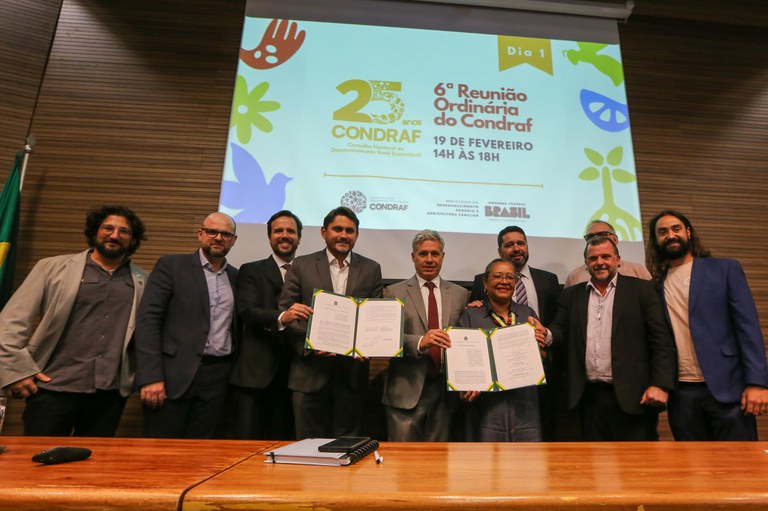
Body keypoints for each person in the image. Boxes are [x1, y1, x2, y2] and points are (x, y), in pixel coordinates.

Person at [0, 205, 148, 436]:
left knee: (95, 459)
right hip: (52, 388)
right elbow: (11, 322)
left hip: (108, 395)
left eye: (124, 231)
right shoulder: (51, 268)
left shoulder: (143, 281)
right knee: (39, 457)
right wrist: (16, 371)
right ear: (95, 231)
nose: (114, 235)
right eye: (108, 228)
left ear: (133, 239)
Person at [647, 209, 768, 440]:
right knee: (693, 463)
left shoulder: (725, 269)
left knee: (740, 460)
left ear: (688, 232)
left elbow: (748, 328)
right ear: (656, 240)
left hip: (728, 389)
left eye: (676, 229)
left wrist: (757, 383)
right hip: (682, 395)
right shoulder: (655, 286)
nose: (670, 235)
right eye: (662, 232)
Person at [549, 236, 675, 441]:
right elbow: (559, 329)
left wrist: (661, 385)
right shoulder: (571, 296)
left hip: (634, 397)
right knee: (594, 459)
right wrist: (545, 334)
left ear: (618, 260)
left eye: (606, 257)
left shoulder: (642, 290)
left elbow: (661, 341)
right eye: (593, 258)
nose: (599, 262)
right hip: (587, 398)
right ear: (586, 263)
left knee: (637, 459)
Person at [278, 206, 382, 438]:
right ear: (324, 232)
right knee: (308, 444)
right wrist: (311, 344)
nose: (343, 235)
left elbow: (374, 317)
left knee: (347, 446)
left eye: (349, 231)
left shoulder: (371, 269)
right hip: (309, 373)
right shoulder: (301, 265)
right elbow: (287, 313)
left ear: (356, 235)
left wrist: (369, 345)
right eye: (337, 229)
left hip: (352, 376)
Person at [135, 212, 239, 438]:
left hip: (218, 378)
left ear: (233, 240)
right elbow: (148, 320)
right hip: (172, 376)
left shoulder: (237, 277)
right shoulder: (172, 266)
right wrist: (151, 376)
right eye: (212, 232)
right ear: (200, 234)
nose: (218, 238)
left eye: (225, 234)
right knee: (160, 449)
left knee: (202, 450)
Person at [469, 225, 561, 440]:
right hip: (490, 391)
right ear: (500, 251)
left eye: (521, 243)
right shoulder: (479, 283)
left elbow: (558, 322)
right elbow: (476, 323)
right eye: (509, 245)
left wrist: (545, 340)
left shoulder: (548, 280)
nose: (516, 248)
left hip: (535, 379)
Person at [382, 230, 468, 441]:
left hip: (446, 394)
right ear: (413, 257)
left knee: (440, 459)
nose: (429, 259)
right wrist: (420, 342)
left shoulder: (461, 294)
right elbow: (384, 338)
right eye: (423, 254)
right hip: (405, 391)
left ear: (442, 256)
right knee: (403, 458)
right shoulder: (393, 292)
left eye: (435, 254)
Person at [457, 258, 549, 441]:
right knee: (488, 457)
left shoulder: (527, 314)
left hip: (525, 405)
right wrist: (465, 386)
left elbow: (543, 357)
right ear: (485, 283)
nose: (504, 281)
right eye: (497, 276)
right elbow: (461, 360)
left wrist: (541, 345)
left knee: (528, 457)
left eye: (510, 277)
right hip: (487, 408)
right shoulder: (471, 315)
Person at [230, 210, 302, 440]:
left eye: (291, 231)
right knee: (247, 443)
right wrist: (282, 318)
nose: (285, 235)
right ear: (269, 237)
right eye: (278, 231)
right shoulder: (251, 270)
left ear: (299, 237)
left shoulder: (307, 273)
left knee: (283, 445)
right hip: (256, 374)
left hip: (295, 376)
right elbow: (248, 312)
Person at [563, 219, 651, 287]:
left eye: (602, 234)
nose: (595, 239)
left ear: (615, 239)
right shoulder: (575, 277)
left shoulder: (638, 272)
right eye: (590, 236)